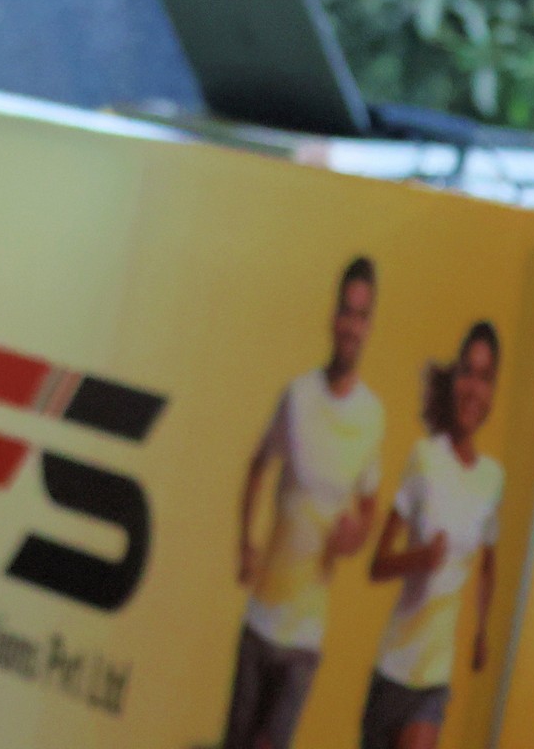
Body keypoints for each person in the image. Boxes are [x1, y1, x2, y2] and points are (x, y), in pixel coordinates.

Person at [221, 257, 385, 749]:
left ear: (369, 326)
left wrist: (355, 536)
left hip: (306, 635)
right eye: (346, 312)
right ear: (333, 318)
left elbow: (369, 510)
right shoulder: (298, 396)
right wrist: (246, 544)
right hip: (263, 618)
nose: (352, 325)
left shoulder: (372, 416)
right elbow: (257, 467)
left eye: (362, 316)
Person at [362, 322, 505, 749]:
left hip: (433, 681)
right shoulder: (424, 458)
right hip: (392, 670)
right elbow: (377, 565)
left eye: (485, 377)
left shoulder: (492, 479)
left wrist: (482, 632)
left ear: (492, 391)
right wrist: (419, 558)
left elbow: (488, 564)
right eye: (467, 372)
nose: (474, 388)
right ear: (454, 380)